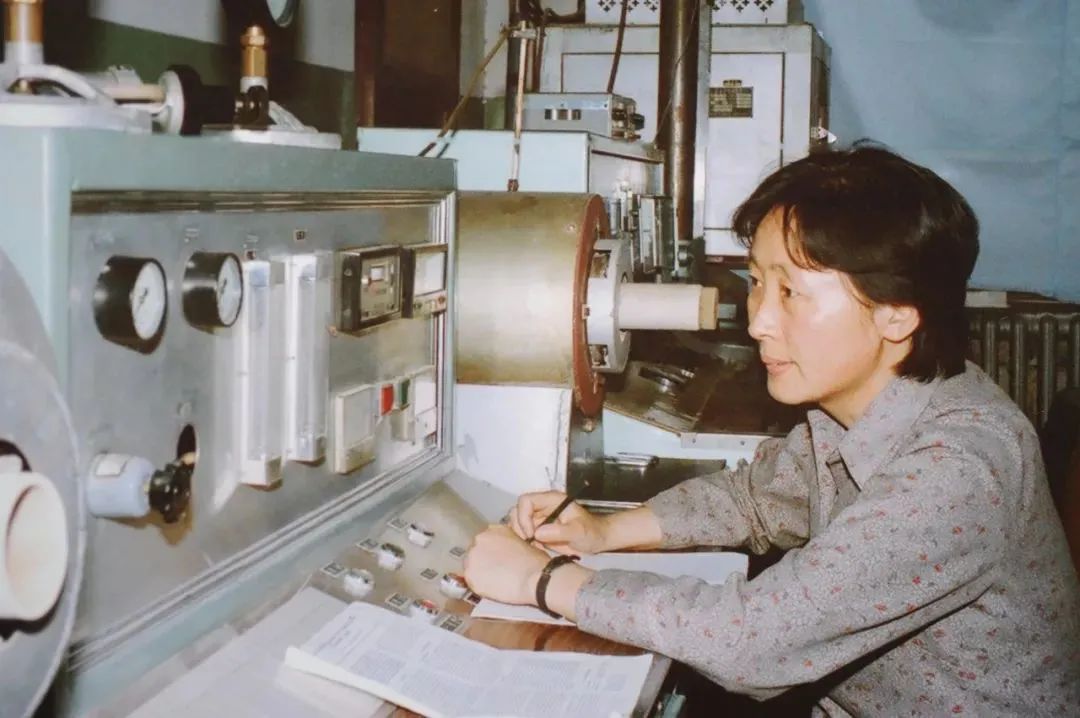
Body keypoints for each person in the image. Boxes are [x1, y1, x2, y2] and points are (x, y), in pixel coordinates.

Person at [463, 145, 1080, 716]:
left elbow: (754, 640)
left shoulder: (960, 466)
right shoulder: (865, 409)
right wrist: (605, 531)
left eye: (791, 291)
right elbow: (757, 498)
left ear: (896, 315)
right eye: (757, 282)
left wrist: (539, 580)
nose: (758, 320)